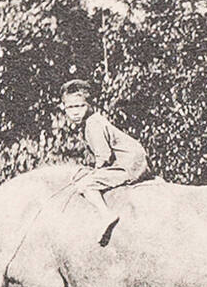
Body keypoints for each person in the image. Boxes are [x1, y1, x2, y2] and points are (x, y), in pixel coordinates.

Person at [58, 79, 152, 243]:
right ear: (63, 108)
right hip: (134, 160)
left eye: (80, 106)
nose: (75, 112)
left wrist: (94, 172)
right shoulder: (94, 121)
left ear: (89, 105)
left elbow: (104, 156)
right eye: (70, 107)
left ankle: (106, 215)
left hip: (129, 164)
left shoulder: (93, 124)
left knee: (85, 185)